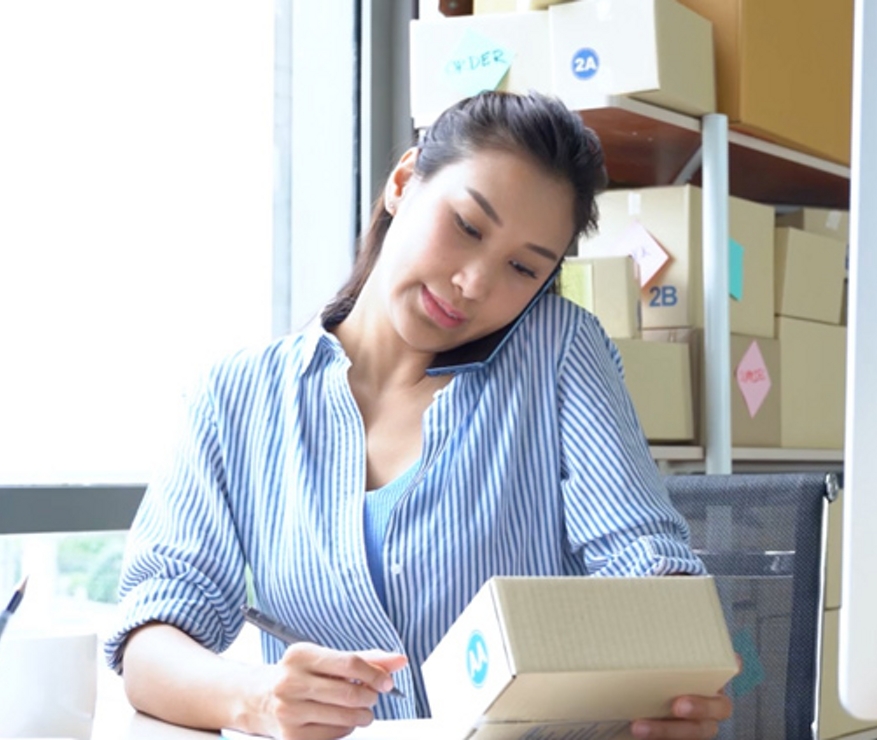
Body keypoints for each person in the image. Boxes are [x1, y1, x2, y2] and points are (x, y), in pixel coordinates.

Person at [106, 91, 732, 740]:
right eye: (466, 226)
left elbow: (641, 556)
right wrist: (258, 699)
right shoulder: (236, 400)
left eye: (522, 268)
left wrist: (674, 662)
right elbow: (152, 642)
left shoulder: (556, 349)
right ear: (404, 182)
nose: (475, 284)